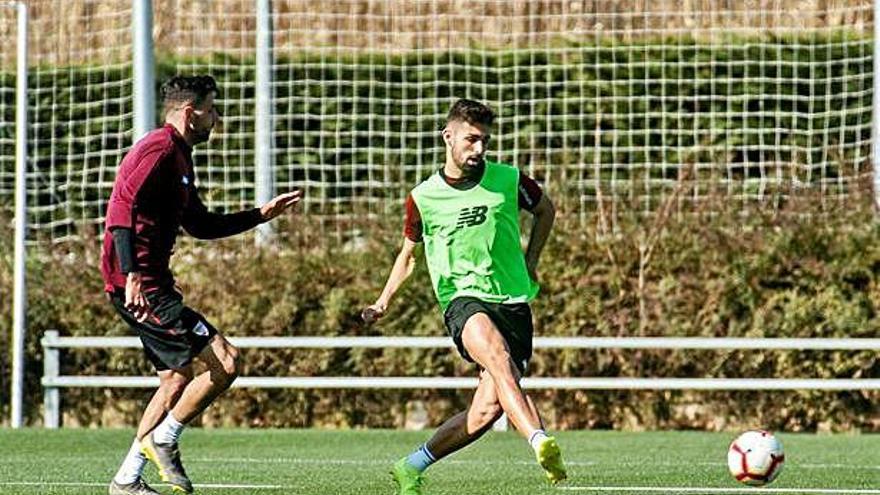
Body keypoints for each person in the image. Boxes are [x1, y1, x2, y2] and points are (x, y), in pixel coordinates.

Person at [101, 75, 301, 495]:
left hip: (149, 282)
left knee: (175, 379)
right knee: (225, 360)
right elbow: (120, 205)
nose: (217, 118)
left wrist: (259, 215)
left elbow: (200, 225)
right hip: (138, 284)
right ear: (191, 113)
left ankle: (126, 479)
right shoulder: (156, 148)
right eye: (212, 109)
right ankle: (165, 437)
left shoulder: (180, 157)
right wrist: (133, 273)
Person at [362, 98, 567, 494]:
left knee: (486, 411)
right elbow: (409, 255)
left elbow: (546, 210)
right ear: (448, 136)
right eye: (471, 140)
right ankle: (539, 440)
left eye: (484, 141)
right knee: (495, 354)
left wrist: (532, 260)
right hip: (462, 300)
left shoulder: (509, 180)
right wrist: (382, 301)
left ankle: (411, 465)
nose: (478, 149)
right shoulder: (423, 197)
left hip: (512, 302)